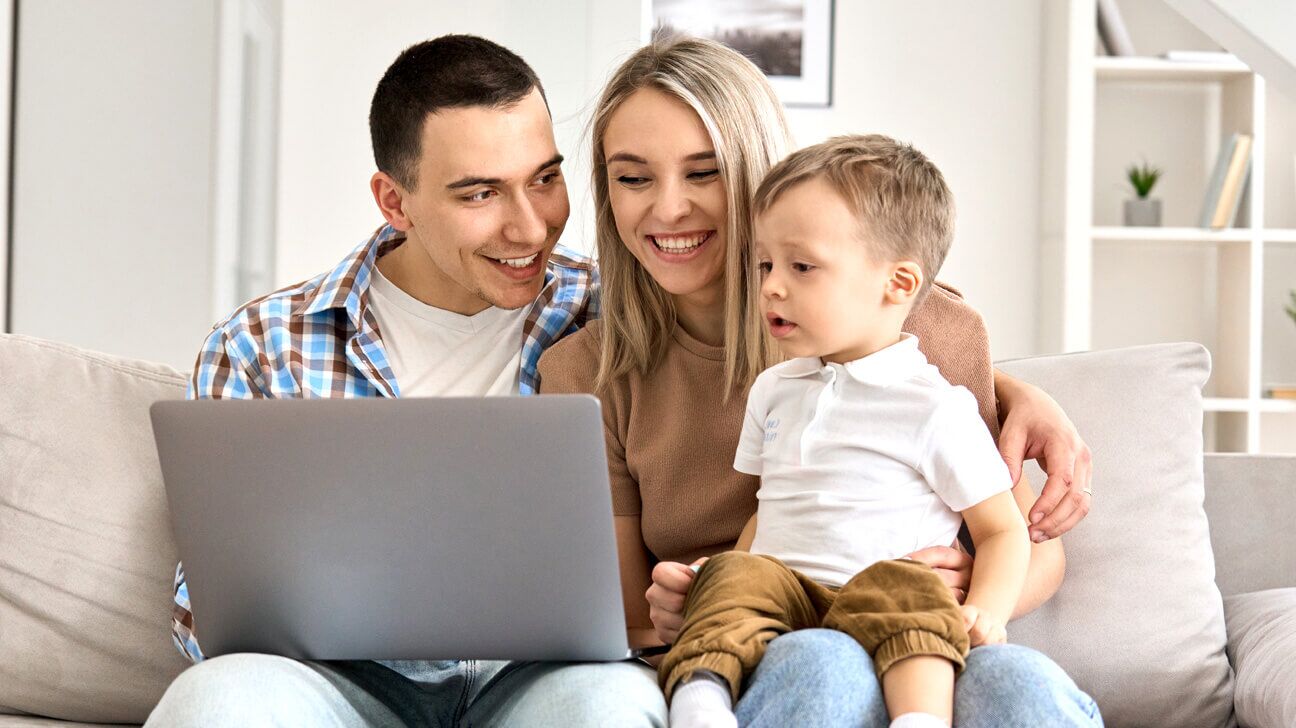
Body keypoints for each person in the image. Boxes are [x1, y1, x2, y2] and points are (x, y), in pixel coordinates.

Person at [537, 35, 1101, 727]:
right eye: (633, 178)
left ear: (757, 175)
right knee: (821, 664)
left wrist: (964, 595)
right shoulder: (586, 372)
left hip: (925, 642)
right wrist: (681, 602)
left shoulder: (928, 327)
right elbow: (625, 618)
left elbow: (1031, 550)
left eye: (704, 172)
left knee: (1021, 686)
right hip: (758, 648)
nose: (669, 208)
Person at [147, 35, 665, 727]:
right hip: (343, 686)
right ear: (396, 201)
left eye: (544, 178)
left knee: (613, 707)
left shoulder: (617, 316)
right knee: (215, 703)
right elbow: (202, 614)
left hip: (544, 680)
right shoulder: (264, 345)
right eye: (480, 193)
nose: (531, 224)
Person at [661, 135, 1031, 728]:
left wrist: (987, 610)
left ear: (899, 284)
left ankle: (920, 718)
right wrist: (734, 571)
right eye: (765, 264)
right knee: (730, 571)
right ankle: (701, 699)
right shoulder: (774, 389)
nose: (772, 286)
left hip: (879, 594)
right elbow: (767, 505)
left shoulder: (936, 407)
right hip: (786, 600)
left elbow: (1004, 530)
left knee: (912, 590)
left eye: (801, 266)